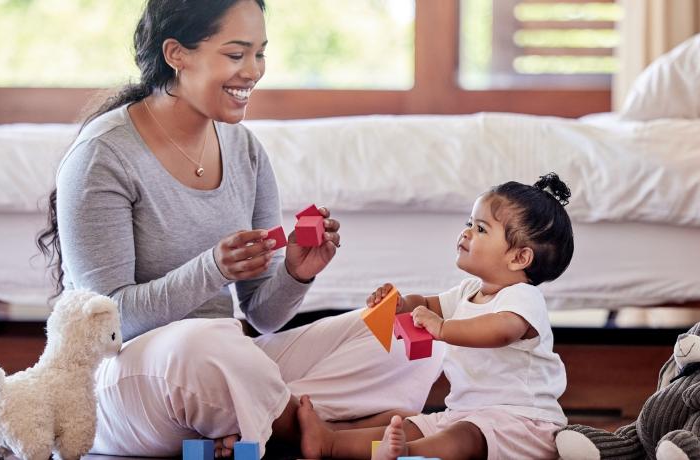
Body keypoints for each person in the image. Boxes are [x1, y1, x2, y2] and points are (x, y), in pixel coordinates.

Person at [38, 0, 442, 457]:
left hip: (222, 367)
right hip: (126, 384)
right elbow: (107, 321)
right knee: (207, 344)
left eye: (260, 54)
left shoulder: (245, 149)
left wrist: (295, 272)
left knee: (408, 326)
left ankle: (248, 431)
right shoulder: (103, 156)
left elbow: (262, 318)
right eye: (236, 55)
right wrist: (212, 269)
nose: (252, 71)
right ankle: (317, 431)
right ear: (177, 54)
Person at [297, 173, 575, 460]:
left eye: (480, 229)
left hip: (520, 423)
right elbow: (430, 304)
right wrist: (401, 304)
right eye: (469, 223)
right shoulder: (469, 290)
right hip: (465, 413)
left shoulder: (522, 296)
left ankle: (406, 454)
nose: (466, 233)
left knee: (463, 437)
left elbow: (501, 330)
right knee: (412, 425)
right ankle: (329, 443)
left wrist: (442, 329)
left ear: (518, 258)